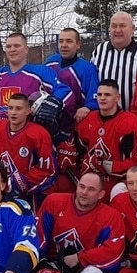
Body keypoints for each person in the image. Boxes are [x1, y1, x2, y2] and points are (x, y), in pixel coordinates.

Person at [35, 171, 126, 273]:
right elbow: (39, 235)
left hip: (86, 266)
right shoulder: (54, 202)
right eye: (81, 187)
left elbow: (114, 251)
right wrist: (42, 262)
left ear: (101, 194)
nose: (84, 192)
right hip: (54, 264)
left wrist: (79, 258)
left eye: (91, 189)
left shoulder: (110, 216)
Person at [0, 31, 71, 137]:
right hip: (1, 136)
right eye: (9, 46)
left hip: (30, 136)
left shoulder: (41, 72)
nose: (12, 49)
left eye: (17, 46)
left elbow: (64, 91)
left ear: (26, 49)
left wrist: (52, 103)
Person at [45, 27, 100, 192]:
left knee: (69, 167)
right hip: (48, 124)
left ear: (78, 45)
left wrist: (87, 107)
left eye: (69, 41)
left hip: (72, 127)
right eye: (61, 41)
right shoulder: (50, 63)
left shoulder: (87, 68)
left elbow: (94, 97)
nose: (64, 45)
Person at [75, 79, 137, 197]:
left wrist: (106, 165)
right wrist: (82, 162)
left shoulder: (131, 123)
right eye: (99, 95)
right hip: (90, 182)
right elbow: (77, 152)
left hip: (119, 184)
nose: (102, 98)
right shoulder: (87, 120)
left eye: (107, 95)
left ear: (117, 97)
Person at [0, 92, 57, 204]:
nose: (13, 113)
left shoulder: (39, 134)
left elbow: (49, 171)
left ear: (28, 111)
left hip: (27, 197)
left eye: (18, 109)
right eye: (10, 108)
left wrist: (21, 182)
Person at [89, 10, 137, 110]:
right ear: (109, 29)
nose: (118, 30)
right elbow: (92, 82)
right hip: (105, 117)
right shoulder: (100, 50)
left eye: (122, 26)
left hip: (136, 117)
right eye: (114, 26)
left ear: (133, 29)